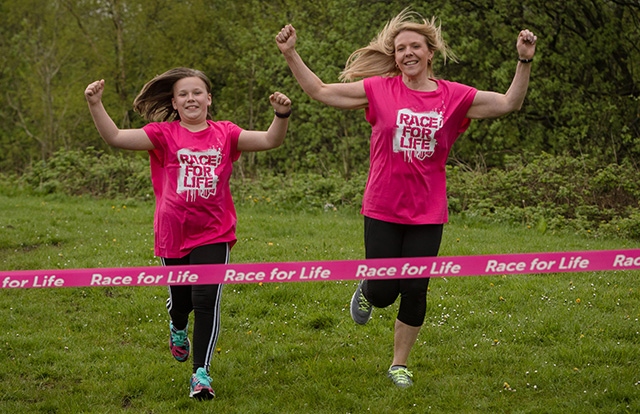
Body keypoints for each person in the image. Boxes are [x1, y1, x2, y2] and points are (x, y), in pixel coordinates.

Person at [276, 9, 536, 388]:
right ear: (395, 56)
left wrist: (523, 59)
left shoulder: (455, 96)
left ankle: (399, 363)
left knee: (415, 288)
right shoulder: (379, 89)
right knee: (384, 292)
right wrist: (290, 53)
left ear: (430, 53)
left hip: (428, 211)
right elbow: (321, 92)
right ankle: (368, 288)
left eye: (415, 46)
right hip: (382, 205)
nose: (407, 53)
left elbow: (509, 102)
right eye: (400, 49)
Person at [84, 67, 292, 400]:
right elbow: (116, 138)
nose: (191, 98)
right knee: (182, 301)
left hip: (215, 232)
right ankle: (177, 325)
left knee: (205, 299)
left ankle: (201, 373)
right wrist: (96, 104)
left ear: (208, 99)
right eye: (183, 94)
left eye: (197, 92)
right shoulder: (163, 134)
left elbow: (270, 140)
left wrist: (281, 114)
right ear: (175, 102)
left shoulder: (226, 133)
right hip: (173, 232)